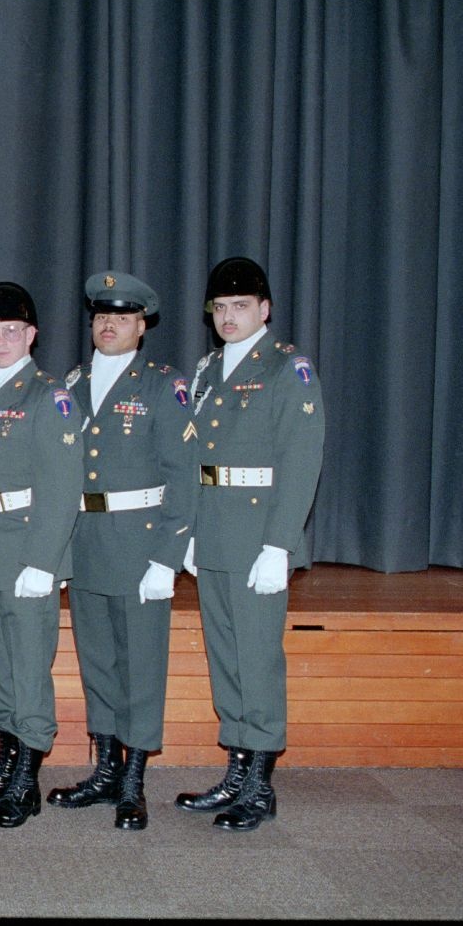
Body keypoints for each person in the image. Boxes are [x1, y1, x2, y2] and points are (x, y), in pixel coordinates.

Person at [175, 256, 325, 832]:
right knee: (227, 659)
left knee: (257, 659)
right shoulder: (210, 368)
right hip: (214, 531)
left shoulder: (290, 369)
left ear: (264, 310)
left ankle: (260, 782)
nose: (229, 317)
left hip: (260, 534)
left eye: (241, 307)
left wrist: (281, 544)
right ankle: (237, 769)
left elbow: (301, 458)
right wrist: (187, 529)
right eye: (220, 308)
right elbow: (195, 457)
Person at [46, 271, 195, 831]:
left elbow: (184, 475)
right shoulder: (73, 383)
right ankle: (105, 770)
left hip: (139, 545)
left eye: (123, 317)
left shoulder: (163, 386)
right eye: (101, 316)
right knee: (99, 662)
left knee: (141, 665)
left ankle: (133, 781)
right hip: (85, 542)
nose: (109, 324)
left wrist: (168, 556)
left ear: (142, 325)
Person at [0, 281, 85, 828]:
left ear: (31, 335)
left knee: (28, 669)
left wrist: (44, 561)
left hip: (28, 551)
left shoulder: (48, 396)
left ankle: (26, 778)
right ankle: (7, 766)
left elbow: (62, 483)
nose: (0, 340)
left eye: (11, 331)